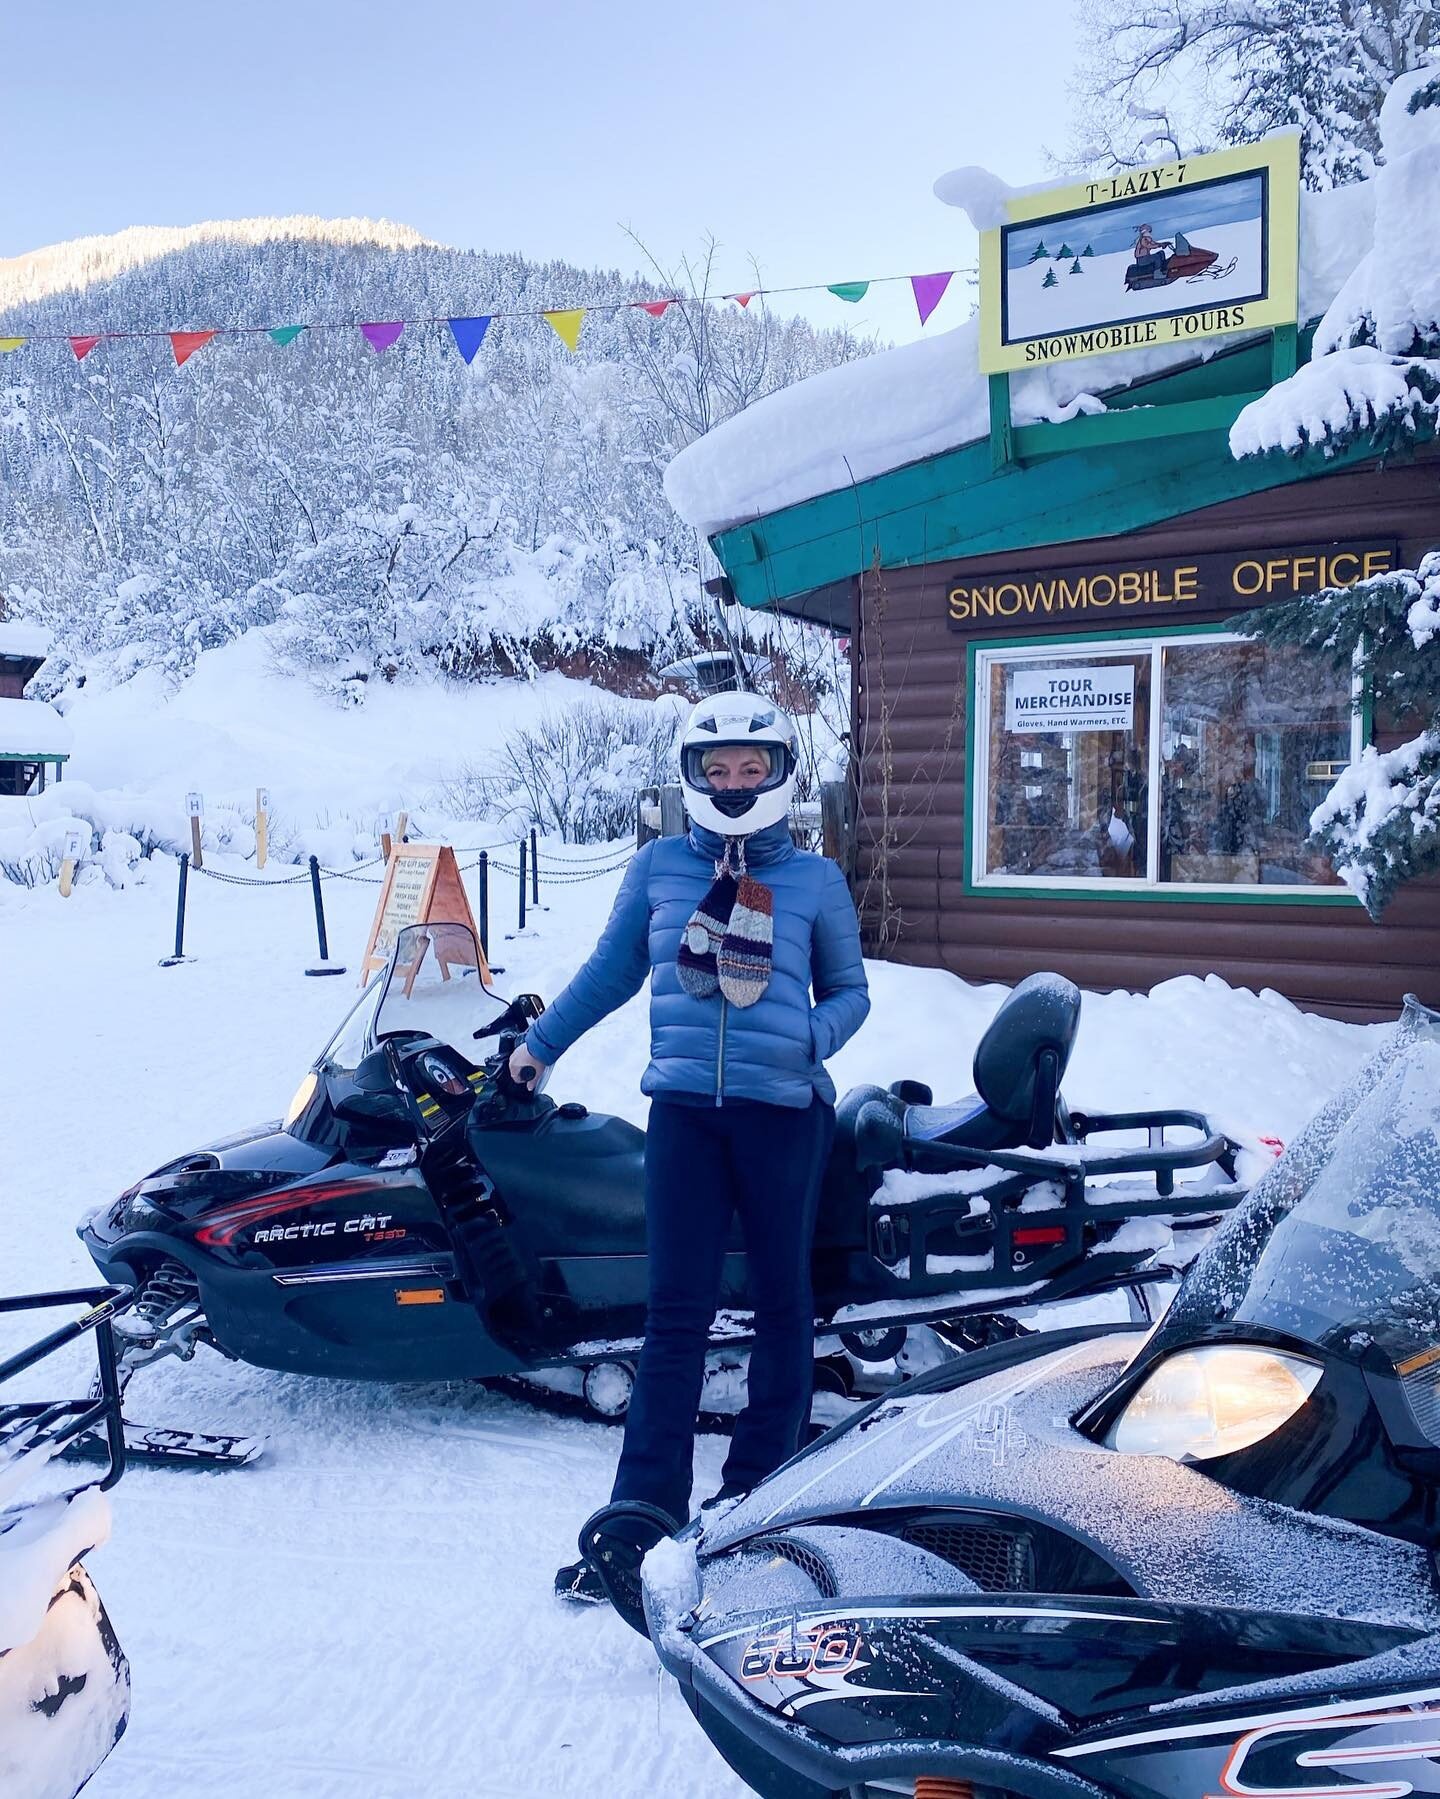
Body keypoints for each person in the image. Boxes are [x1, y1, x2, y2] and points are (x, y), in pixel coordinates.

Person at [506, 691, 870, 1603]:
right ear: (694, 775)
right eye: (719, 769)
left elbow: (853, 991)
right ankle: (640, 1518)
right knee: (676, 1314)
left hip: (784, 1113)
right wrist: (540, 1047)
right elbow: (612, 970)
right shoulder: (661, 868)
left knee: (785, 1306)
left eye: (752, 768)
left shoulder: (816, 880)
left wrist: (811, 1039)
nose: (735, 783)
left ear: (781, 773)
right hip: (684, 1116)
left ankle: (755, 1503)